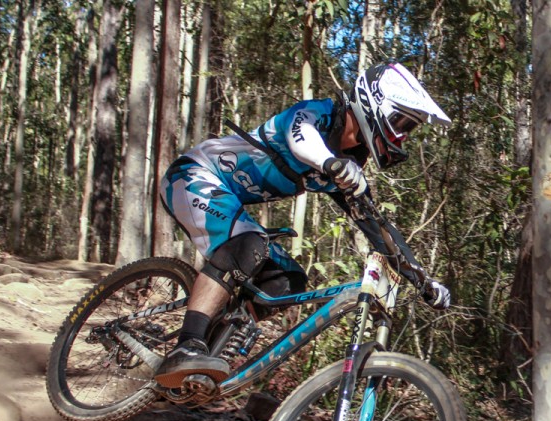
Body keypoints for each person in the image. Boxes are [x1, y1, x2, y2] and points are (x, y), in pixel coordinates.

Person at [154, 61, 453, 388]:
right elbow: (300, 137)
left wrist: (421, 278)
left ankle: (198, 367)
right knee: (247, 244)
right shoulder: (318, 115)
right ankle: (188, 345)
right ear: (372, 105)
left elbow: (376, 228)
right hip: (193, 175)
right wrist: (330, 163)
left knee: (289, 280)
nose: (402, 135)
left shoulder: (347, 163)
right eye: (401, 123)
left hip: (227, 198)